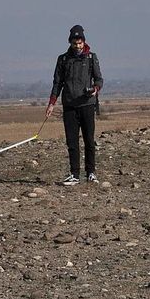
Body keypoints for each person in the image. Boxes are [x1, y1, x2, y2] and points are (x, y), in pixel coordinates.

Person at [45, 25, 103, 186]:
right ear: (70, 43)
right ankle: (74, 174)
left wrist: (95, 89)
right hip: (69, 106)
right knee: (72, 142)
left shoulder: (91, 57)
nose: (77, 46)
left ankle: (91, 173)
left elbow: (99, 79)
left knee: (89, 141)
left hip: (87, 104)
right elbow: (57, 83)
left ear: (84, 42)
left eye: (80, 43)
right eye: (74, 43)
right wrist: (51, 103)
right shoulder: (63, 59)